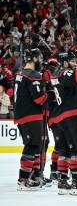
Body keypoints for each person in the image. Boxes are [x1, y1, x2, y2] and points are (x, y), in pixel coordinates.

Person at [48, 50, 77, 196]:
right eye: (72, 61)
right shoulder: (66, 72)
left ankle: (62, 181)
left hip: (58, 117)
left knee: (64, 150)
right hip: (70, 114)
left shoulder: (55, 73)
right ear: (65, 62)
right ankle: (76, 183)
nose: (75, 64)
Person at [13, 48, 47, 190]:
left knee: (35, 145)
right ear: (33, 59)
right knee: (32, 146)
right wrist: (49, 92)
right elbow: (39, 99)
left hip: (22, 115)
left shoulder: (20, 73)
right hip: (30, 115)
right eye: (39, 58)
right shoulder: (33, 74)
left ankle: (32, 176)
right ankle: (23, 180)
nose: (40, 61)